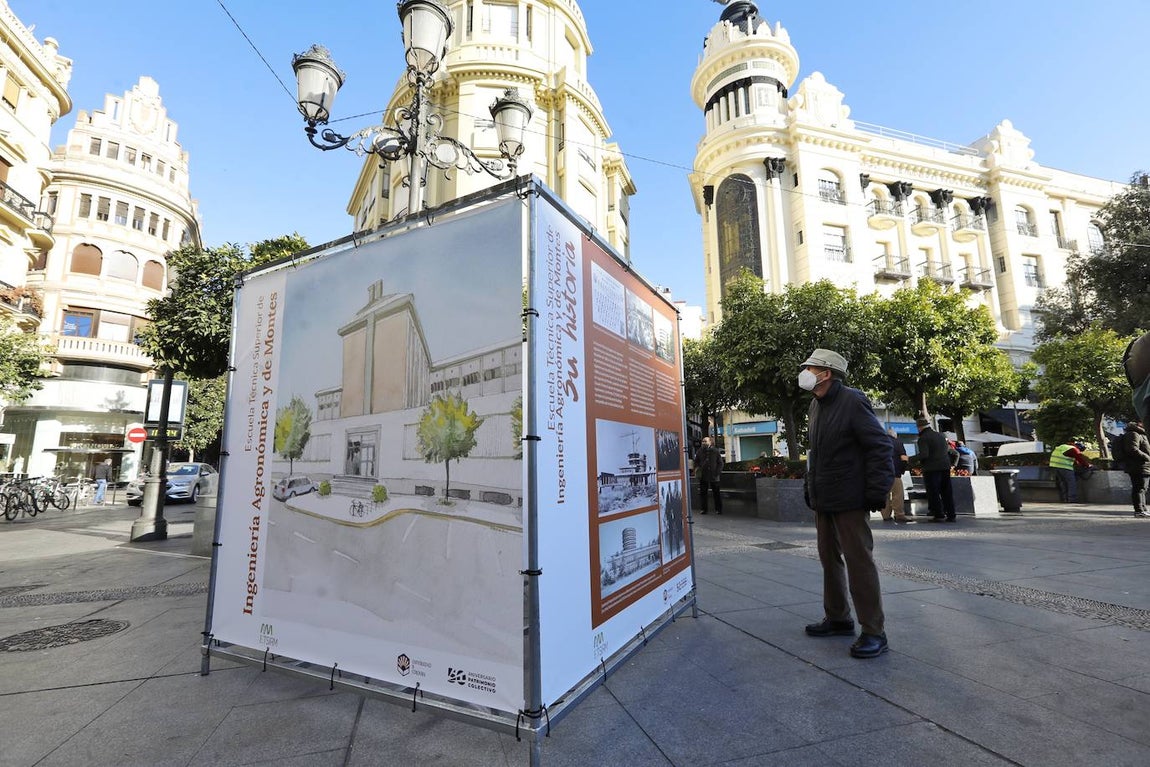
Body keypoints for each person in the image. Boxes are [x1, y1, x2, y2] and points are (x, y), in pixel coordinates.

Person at [800, 349, 894, 659]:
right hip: (825, 498)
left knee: (859, 562)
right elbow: (817, 454)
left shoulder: (853, 400)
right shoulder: (815, 405)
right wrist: (809, 486)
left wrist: (875, 493)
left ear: (826, 373)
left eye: (810, 368)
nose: (805, 372)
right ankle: (839, 618)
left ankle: (874, 631)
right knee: (829, 559)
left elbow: (880, 447)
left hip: (851, 498)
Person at [917, 418, 957, 522]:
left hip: (931, 468)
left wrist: (910, 459)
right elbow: (951, 451)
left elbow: (924, 455)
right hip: (945, 467)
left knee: (933, 492)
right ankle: (951, 514)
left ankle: (939, 514)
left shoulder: (923, 438)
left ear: (919, 427)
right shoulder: (941, 435)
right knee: (947, 491)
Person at [880, 428, 912, 523]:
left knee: (885, 495)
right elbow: (904, 458)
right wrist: (902, 469)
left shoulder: (880, 442)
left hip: (882, 474)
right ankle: (899, 515)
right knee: (897, 494)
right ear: (895, 435)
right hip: (895, 473)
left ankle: (885, 515)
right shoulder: (898, 442)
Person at [1119, 421, 1150, 518]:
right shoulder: (1133, 434)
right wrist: (1147, 457)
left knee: (1143, 488)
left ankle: (1143, 509)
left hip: (1142, 465)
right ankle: (1139, 510)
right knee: (1139, 488)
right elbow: (1132, 448)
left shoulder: (1140, 434)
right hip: (1138, 466)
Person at [696, 437, 724, 515]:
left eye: (705, 441)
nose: (703, 443)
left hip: (714, 476)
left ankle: (719, 509)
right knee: (703, 493)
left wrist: (717, 473)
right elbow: (696, 462)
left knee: (716, 493)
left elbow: (720, 463)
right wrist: (698, 469)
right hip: (703, 476)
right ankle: (703, 509)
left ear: (710, 442)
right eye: (703, 441)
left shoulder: (715, 451)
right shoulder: (699, 451)